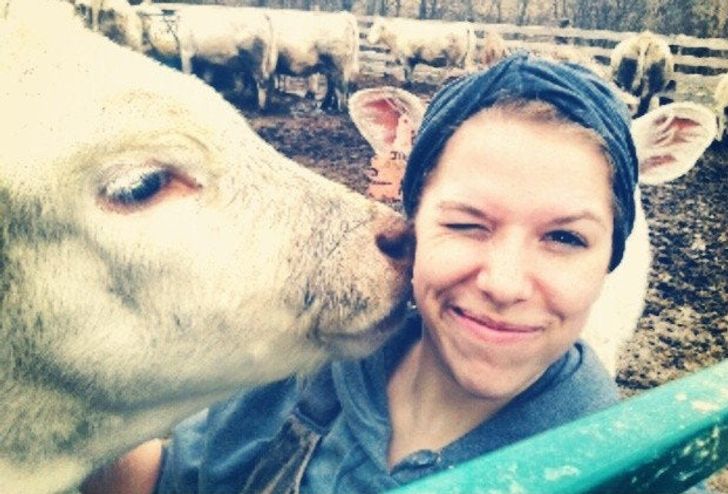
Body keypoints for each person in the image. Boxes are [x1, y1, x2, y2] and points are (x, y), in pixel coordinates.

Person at [82, 52, 637, 494]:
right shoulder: (302, 369)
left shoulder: (639, 469)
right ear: (413, 221)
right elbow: (174, 480)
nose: (505, 284)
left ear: (611, 256)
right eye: (468, 225)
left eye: (565, 238)